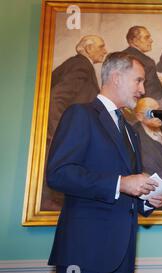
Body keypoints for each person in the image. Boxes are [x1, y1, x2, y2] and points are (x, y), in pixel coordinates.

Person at [47, 52, 162, 273]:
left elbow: (129, 187)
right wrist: (121, 183)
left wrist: (147, 198)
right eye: (139, 80)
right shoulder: (81, 114)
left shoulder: (131, 133)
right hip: (84, 253)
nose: (143, 89)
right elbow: (59, 174)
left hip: (122, 257)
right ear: (116, 77)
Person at [42, 35, 108, 211]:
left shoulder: (78, 64)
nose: (105, 51)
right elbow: (56, 98)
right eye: (101, 47)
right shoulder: (80, 65)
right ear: (87, 49)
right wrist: (57, 133)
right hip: (63, 135)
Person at [122, 26, 162, 100]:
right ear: (135, 41)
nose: (151, 40)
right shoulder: (147, 62)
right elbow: (153, 92)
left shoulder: (118, 57)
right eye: (146, 37)